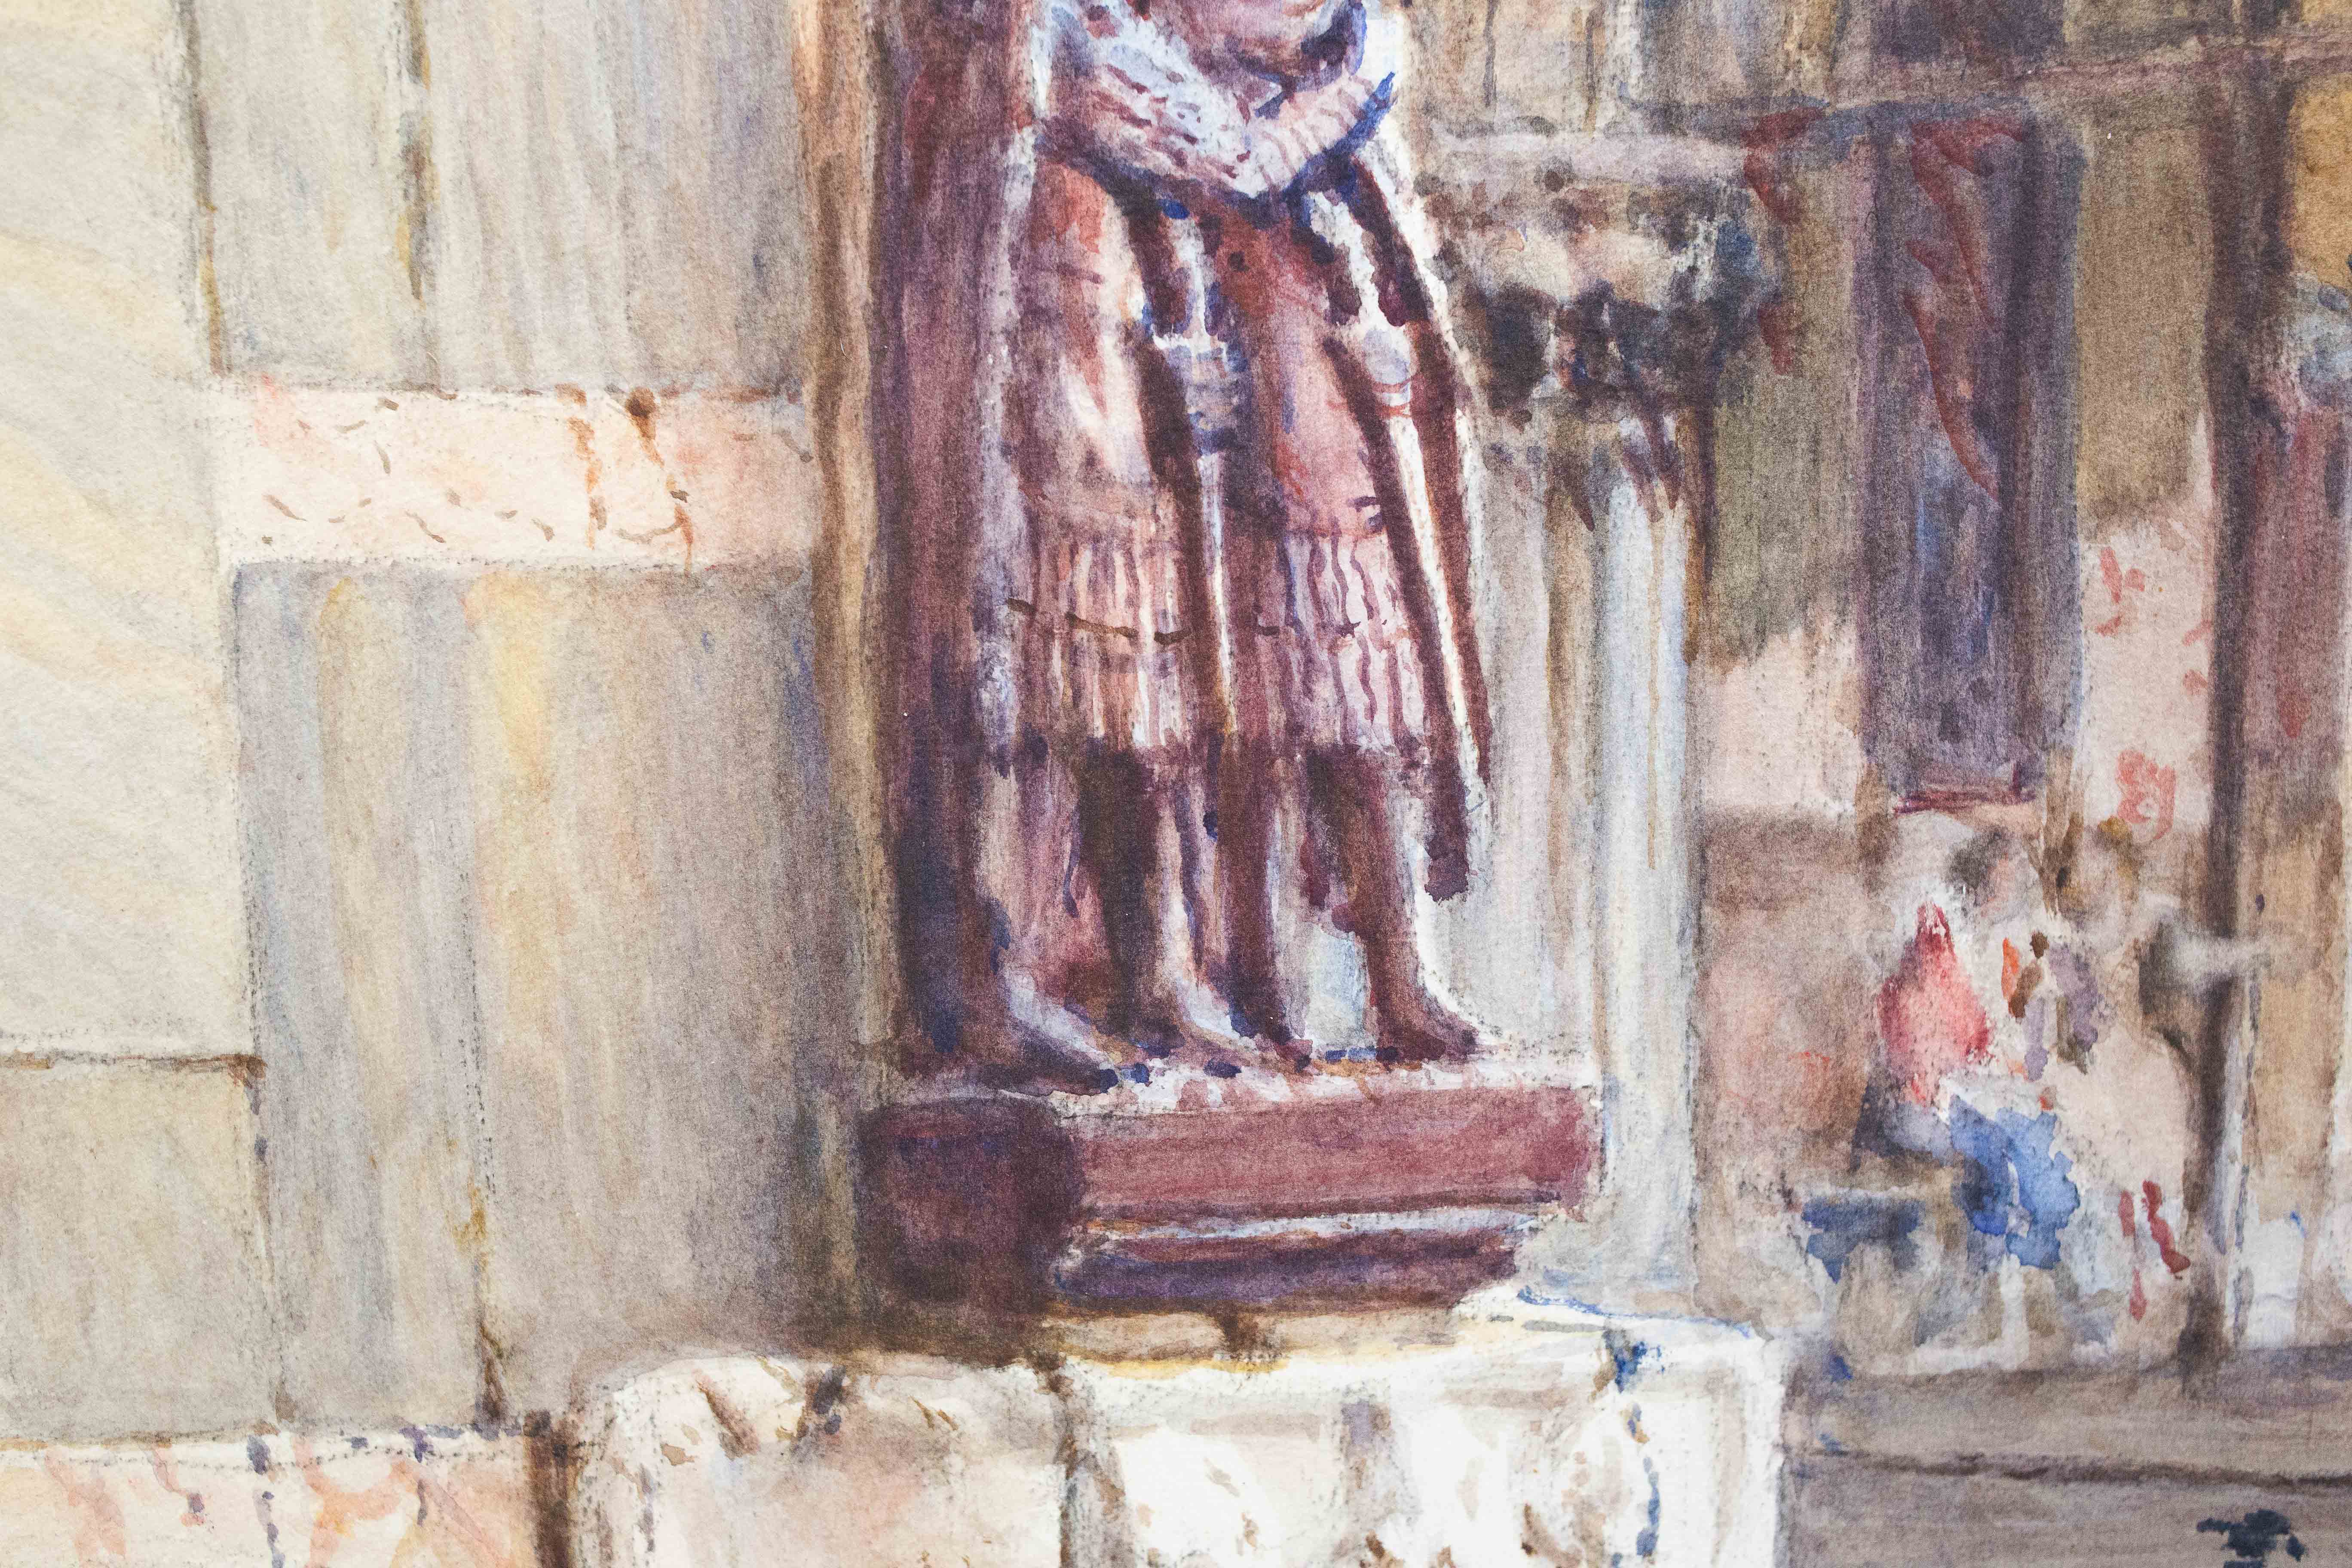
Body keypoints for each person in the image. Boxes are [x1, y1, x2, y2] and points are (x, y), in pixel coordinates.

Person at [885, 0, 1493, 1090]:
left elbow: (1284, 58)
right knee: (1082, 623)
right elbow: (1106, 68)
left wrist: (1318, 78)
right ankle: (1064, 966)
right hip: (1082, 236)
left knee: (1288, 612)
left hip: (1250, 238)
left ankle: (1310, 965)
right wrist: (1256, 103)